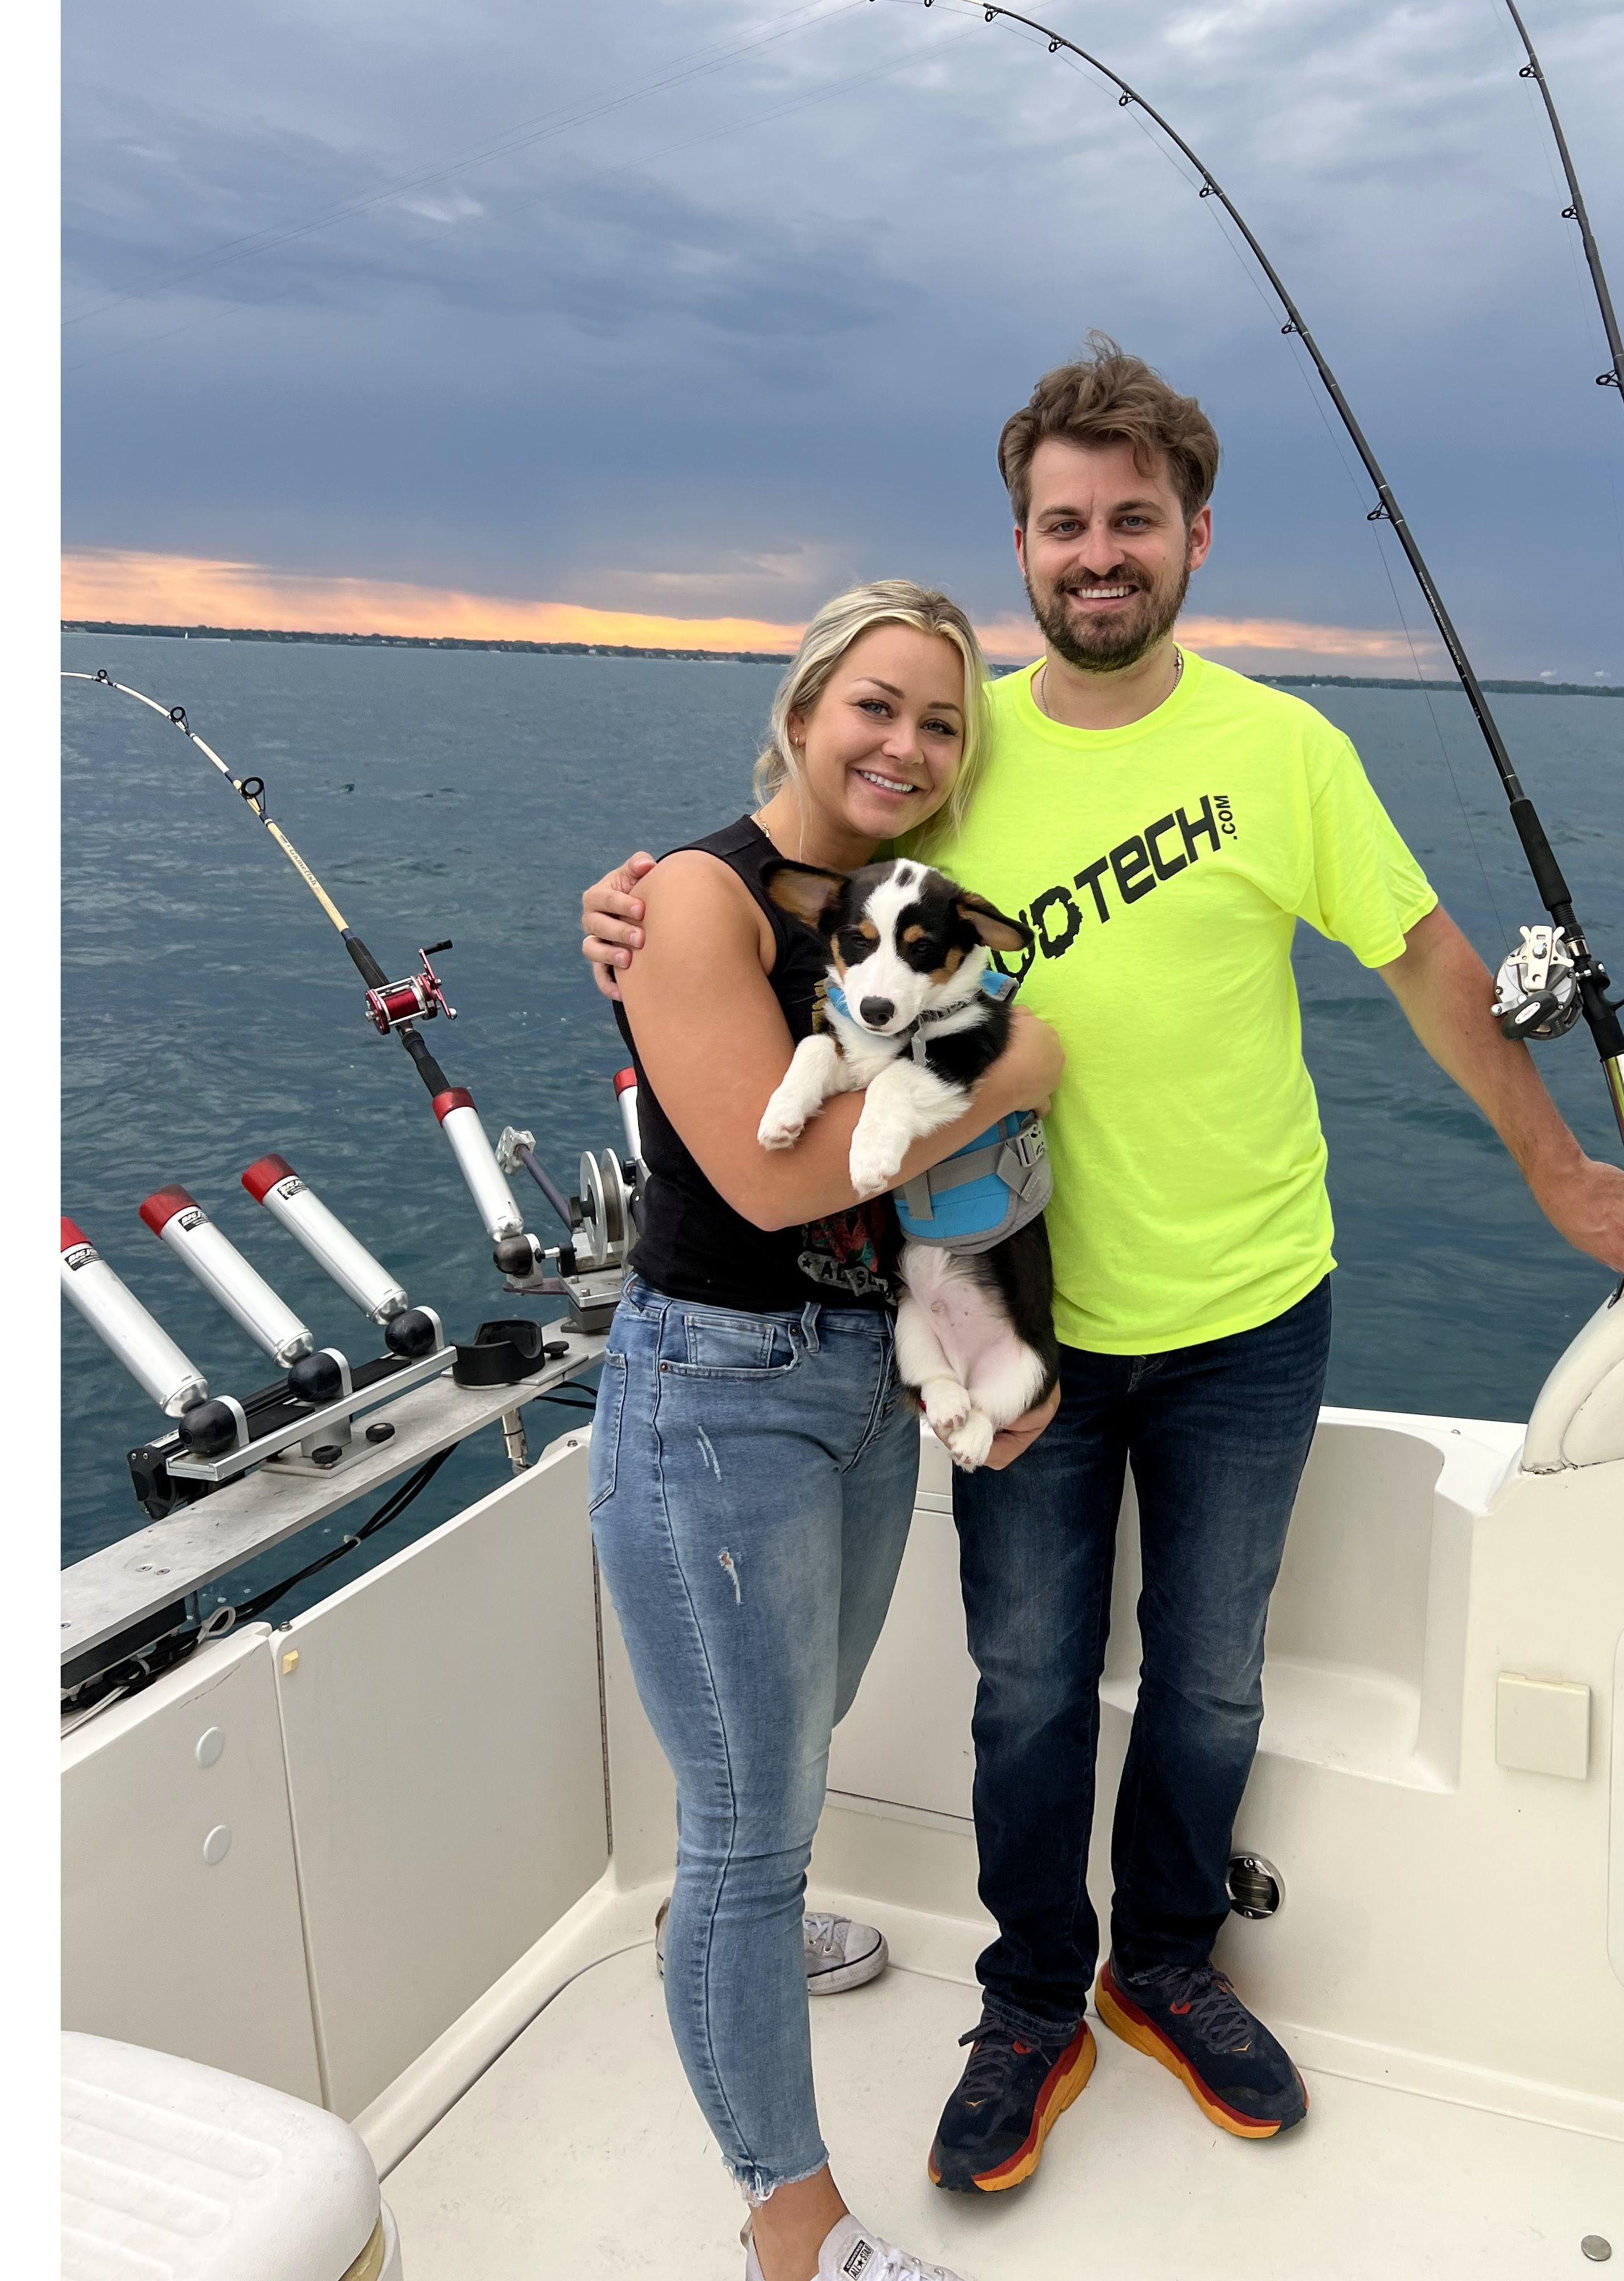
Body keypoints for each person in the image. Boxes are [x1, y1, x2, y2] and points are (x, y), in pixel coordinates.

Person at [582, 340, 1624, 2201]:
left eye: (1133, 520)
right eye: (1064, 522)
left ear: (1193, 538)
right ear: (1022, 544)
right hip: (1021, 1325)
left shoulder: (1284, 752)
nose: (1100, 551)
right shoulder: (959, 756)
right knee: (1022, 1682)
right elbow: (786, 870)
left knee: (1215, 1679)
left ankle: (1167, 1964)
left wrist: (1560, 1166)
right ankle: (1031, 1994)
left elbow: (1422, 963)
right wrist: (631, 901)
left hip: (1251, 1306)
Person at [586, 579, 1063, 2281]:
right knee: (748, 1822)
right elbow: (779, 1179)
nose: (908, 743)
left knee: (794, 1743)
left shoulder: (864, 906)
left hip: (859, 1382)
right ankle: (795, 2229)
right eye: (876, 704)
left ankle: (730, 1931)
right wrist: (1017, 1069)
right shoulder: (696, 900)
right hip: (718, 1391)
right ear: (801, 707)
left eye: (941, 722)